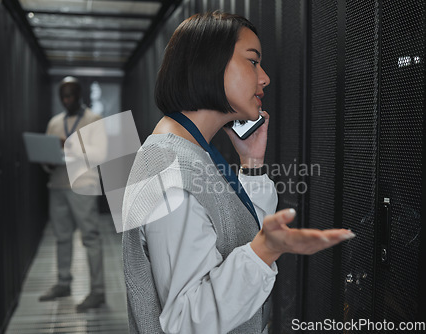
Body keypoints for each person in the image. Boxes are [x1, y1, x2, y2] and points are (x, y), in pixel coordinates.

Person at [122, 11, 355, 333]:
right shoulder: (169, 172)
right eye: (252, 61)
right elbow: (188, 319)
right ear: (209, 65)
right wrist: (267, 250)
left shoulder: (189, 152)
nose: (265, 78)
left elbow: (235, 237)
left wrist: (253, 165)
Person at [40, 76, 107, 312]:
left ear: (80, 96)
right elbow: (48, 156)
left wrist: (67, 145)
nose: (67, 100)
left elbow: (100, 154)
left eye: (71, 95)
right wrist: (47, 161)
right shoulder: (54, 122)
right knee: (62, 237)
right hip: (57, 183)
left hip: (83, 185)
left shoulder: (93, 119)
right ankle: (63, 283)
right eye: (63, 96)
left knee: (90, 238)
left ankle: (98, 291)